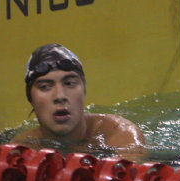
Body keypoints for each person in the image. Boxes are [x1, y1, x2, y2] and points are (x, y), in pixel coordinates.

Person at [11, 44, 146, 157]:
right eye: (45, 86)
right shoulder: (21, 148)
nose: (60, 96)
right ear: (30, 98)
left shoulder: (118, 134)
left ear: (84, 90)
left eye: (69, 83)